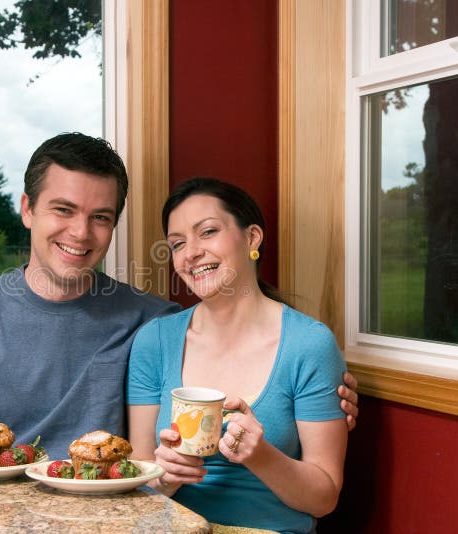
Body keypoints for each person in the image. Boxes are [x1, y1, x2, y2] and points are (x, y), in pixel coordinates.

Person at [0, 134, 359, 497]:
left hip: (102, 515)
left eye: (100, 217)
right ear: (27, 209)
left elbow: (231, 344)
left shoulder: (149, 321)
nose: (81, 233)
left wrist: (320, 386)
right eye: (63, 210)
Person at [127, 177, 348, 533]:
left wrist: (260, 456)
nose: (190, 253)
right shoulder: (154, 341)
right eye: (177, 244)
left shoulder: (310, 344)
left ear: (252, 238)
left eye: (208, 232)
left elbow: (324, 498)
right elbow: (139, 478)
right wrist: (163, 479)